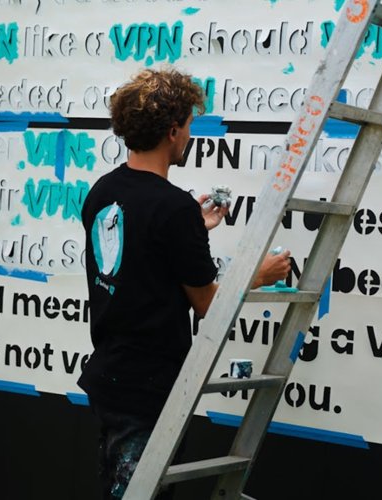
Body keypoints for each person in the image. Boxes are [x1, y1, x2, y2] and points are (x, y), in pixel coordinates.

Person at [78, 68, 291, 500]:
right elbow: (208, 303)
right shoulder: (173, 208)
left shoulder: (103, 190)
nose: (191, 135)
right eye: (190, 125)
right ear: (173, 131)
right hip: (147, 387)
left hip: (110, 375)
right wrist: (261, 274)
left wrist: (192, 230)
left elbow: (139, 254)